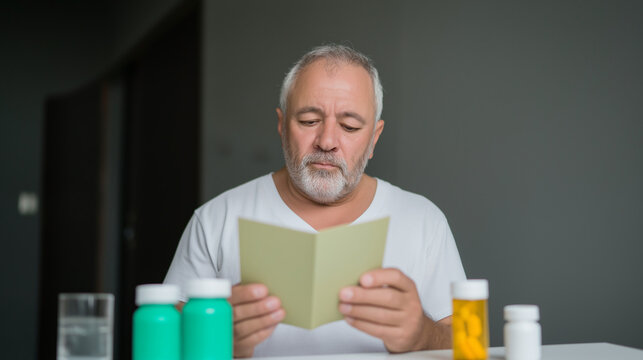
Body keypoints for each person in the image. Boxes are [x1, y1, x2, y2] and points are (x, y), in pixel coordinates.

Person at [164, 44, 466, 358]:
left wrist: (422, 333)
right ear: (282, 126)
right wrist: (214, 338)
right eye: (309, 121)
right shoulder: (214, 220)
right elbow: (161, 344)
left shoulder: (424, 221)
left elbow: (469, 344)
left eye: (349, 126)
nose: (327, 142)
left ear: (374, 137)